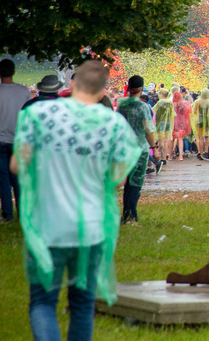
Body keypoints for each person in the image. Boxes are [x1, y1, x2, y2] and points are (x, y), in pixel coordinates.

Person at [13, 60, 140, 341]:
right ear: (102, 92)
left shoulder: (41, 114)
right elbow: (118, 177)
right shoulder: (111, 123)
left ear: (71, 84)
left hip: (48, 224)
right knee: (82, 305)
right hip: (91, 227)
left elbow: (17, 164)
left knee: (43, 302)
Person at [115, 75, 157, 224]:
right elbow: (147, 129)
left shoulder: (121, 105)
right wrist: (154, 148)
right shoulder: (142, 106)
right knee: (135, 183)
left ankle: (126, 214)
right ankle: (131, 215)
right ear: (141, 89)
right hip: (139, 149)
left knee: (127, 183)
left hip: (124, 149)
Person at [0, 58, 31, 223]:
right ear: (13, 72)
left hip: (1, 140)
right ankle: (23, 212)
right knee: (18, 180)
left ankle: (7, 214)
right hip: (18, 140)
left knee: (3, 179)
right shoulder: (23, 91)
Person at [191, 89, 209, 156]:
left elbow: (194, 111)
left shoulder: (197, 102)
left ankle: (201, 152)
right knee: (207, 137)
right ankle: (207, 152)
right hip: (207, 120)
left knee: (200, 137)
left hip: (199, 120)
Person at [153, 88, 175, 162]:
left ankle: (162, 157)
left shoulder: (160, 102)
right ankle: (164, 157)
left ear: (161, 94)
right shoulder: (170, 103)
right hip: (168, 122)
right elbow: (173, 114)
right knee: (165, 140)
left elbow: (154, 112)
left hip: (160, 122)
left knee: (161, 140)